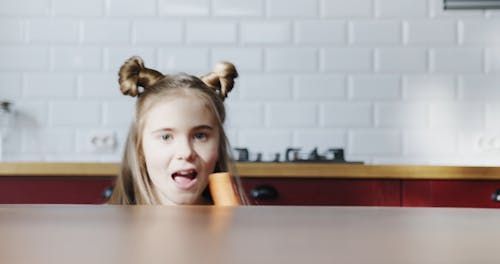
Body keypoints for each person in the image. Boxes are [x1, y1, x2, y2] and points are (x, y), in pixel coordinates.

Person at [107, 56, 247, 205]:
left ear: (218, 146)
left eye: (200, 136)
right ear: (140, 149)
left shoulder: (237, 224)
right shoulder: (108, 226)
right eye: (166, 137)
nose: (185, 152)